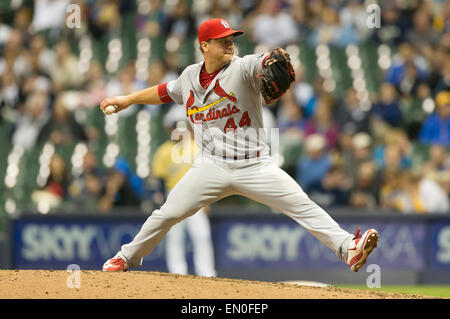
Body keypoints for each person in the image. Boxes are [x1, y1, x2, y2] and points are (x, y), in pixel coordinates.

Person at [101, 18, 378, 273]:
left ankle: (348, 248)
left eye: (231, 38)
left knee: (300, 204)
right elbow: (164, 92)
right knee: (167, 212)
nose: (229, 43)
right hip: (211, 165)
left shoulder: (243, 67)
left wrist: (271, 59)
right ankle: (127, 257)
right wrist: (128, 99)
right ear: (204, 46)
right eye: (222, 39)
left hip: (254, 164)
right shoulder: (188, 77)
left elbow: (263, 62)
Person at [153, 107, 216, 277]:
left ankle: (206, 272)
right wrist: (162, 201)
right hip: (173, 195)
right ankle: (177, 271)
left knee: (201, 234)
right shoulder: (164, 150)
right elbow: (159, 180)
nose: (180, 131)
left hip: (196, 195)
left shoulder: (196, 147)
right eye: (176, 128)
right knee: (175, 237)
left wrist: (207, 200)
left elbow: (206, 176)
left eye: (183, 127)